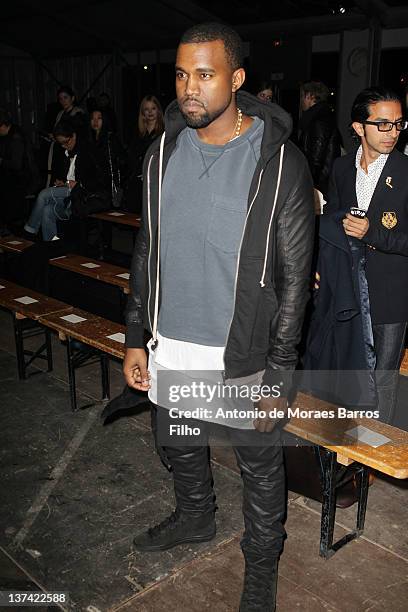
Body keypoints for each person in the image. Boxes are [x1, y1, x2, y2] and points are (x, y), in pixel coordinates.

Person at [123, 22, 314, 611]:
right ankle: (195, 517)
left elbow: (294, 282)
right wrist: (135, 335)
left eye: (204, 75)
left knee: (258, 466)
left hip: (243, 352)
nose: (189, 89)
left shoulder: (280, 163)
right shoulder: (164, 150)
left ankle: (261, 568)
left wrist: (280, 374)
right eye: (181, 74)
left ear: (236, 79)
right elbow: (145, 250)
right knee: (179, 440)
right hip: (170, 339)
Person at [305, 86, 408, 424]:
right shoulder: (341, 168)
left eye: (398, 124)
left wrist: (373, 234)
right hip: (347, 289)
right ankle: (347, 444)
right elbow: (333, 226)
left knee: (383, 380)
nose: (392, 132)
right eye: (383, 124)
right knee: (347, 370)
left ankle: (372, 451)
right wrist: (318, 267)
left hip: (391, 295)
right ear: (358, 127)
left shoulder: (406, 172)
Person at [24, 119, 107, 241]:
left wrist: (78, 184)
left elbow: (97, 178)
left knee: (43, 195)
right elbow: (68, 175)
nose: (64, 146)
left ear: (74, 136)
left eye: (66, 142)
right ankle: (52, 245)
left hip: (81, 194)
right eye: (61, 143)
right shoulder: (67, 152)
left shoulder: (87, 151)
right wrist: (63, 182)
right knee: (47, 211)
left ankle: (30, 231)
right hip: (69, 193)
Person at [298, 81, 342, 199]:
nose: (301, 101)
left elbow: (316, 158)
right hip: (322, 182)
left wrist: (308, 183)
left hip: (319, 184)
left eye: (302, 96)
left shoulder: (318, 120)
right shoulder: (321, 116)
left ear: (310, 96)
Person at [0, 108, 39, 234]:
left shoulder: (16, 137)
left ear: (3, 125)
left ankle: (12, 227)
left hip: (24, 179)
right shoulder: (11, 134)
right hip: (18, 177)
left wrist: (1, 161)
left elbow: (17, 165)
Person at [123, 95, 164, 213]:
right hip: (137, 186)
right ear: (142, 113)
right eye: (147, 109)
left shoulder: (164, 134)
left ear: (159, 111)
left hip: (155, 185)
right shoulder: (138, 134)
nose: (150, 112)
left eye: (153, 108)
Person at [46, 85, 87, 188]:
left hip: (71, 152)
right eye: (60, 99)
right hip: (59, 150)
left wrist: (59, 137)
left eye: (65, 97)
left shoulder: (78, 113)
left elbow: (76, 134)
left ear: (72, 98)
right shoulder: (60, 114)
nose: (63, 101)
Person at [89, 109, 127, 206]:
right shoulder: (89, 140)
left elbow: (122, 160)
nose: (95, 121)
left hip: (109, 184)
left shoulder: (111, 138)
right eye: (93, 118)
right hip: (94, 184)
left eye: (99, 118)